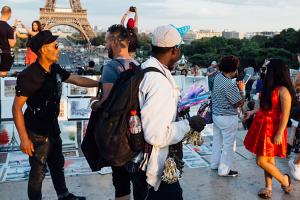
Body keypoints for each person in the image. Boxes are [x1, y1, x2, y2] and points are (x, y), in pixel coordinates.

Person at [12, 30, 99, 200]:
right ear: (44, 50)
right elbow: (16, 108)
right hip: (37, 132)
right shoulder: (29, 76)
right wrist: (24, 139)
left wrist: (101, 83)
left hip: (52, 128)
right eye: (56, 46)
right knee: (38, 172)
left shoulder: (55, 69)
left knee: (57, 164)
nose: (59, 49)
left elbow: (76, 79)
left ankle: (64, 195)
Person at [128, 24, 205, 200]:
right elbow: (155, 135)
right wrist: (189, 124)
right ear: (175, 50)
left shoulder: (146, 68)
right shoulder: (159, 82)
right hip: (151, 165)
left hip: (138, 161)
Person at [90, 24, 139, 200]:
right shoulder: (137, 65)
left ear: (115, 41)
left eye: (106, 41)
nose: (105, 45)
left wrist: (96, 103)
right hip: (136, 128)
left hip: (118, 132)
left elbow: (108, 101)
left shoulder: (111, 67)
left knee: (121, 180)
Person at [243, 59, 296, 198]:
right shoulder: (269, 87)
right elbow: (262, 106)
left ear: (275, 71)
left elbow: (286, 114)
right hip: (261, 125)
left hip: (272, 128)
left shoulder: (284, 91)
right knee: (269, 160)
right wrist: (252, 113)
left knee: (261, 161)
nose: (265, 71)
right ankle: (268, 187)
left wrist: (279, 133)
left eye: (267, 69)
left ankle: (284, 180)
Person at [210, 55, 245, 177]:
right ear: (234, 69)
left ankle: (214, 164)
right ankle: (224, 170)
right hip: (228, 117)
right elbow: (239, 103)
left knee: (217, 141)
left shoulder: (218, 77)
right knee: (229, 144)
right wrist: (241, 90)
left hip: (216, 115)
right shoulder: (228, 84)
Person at [0, 6, 18, 77]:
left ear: (1, 12)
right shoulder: (9, 28)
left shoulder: (10, 28)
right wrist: (15, 34)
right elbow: (12, 44)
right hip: (4, 54)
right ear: (10, 14)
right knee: (2, 75)